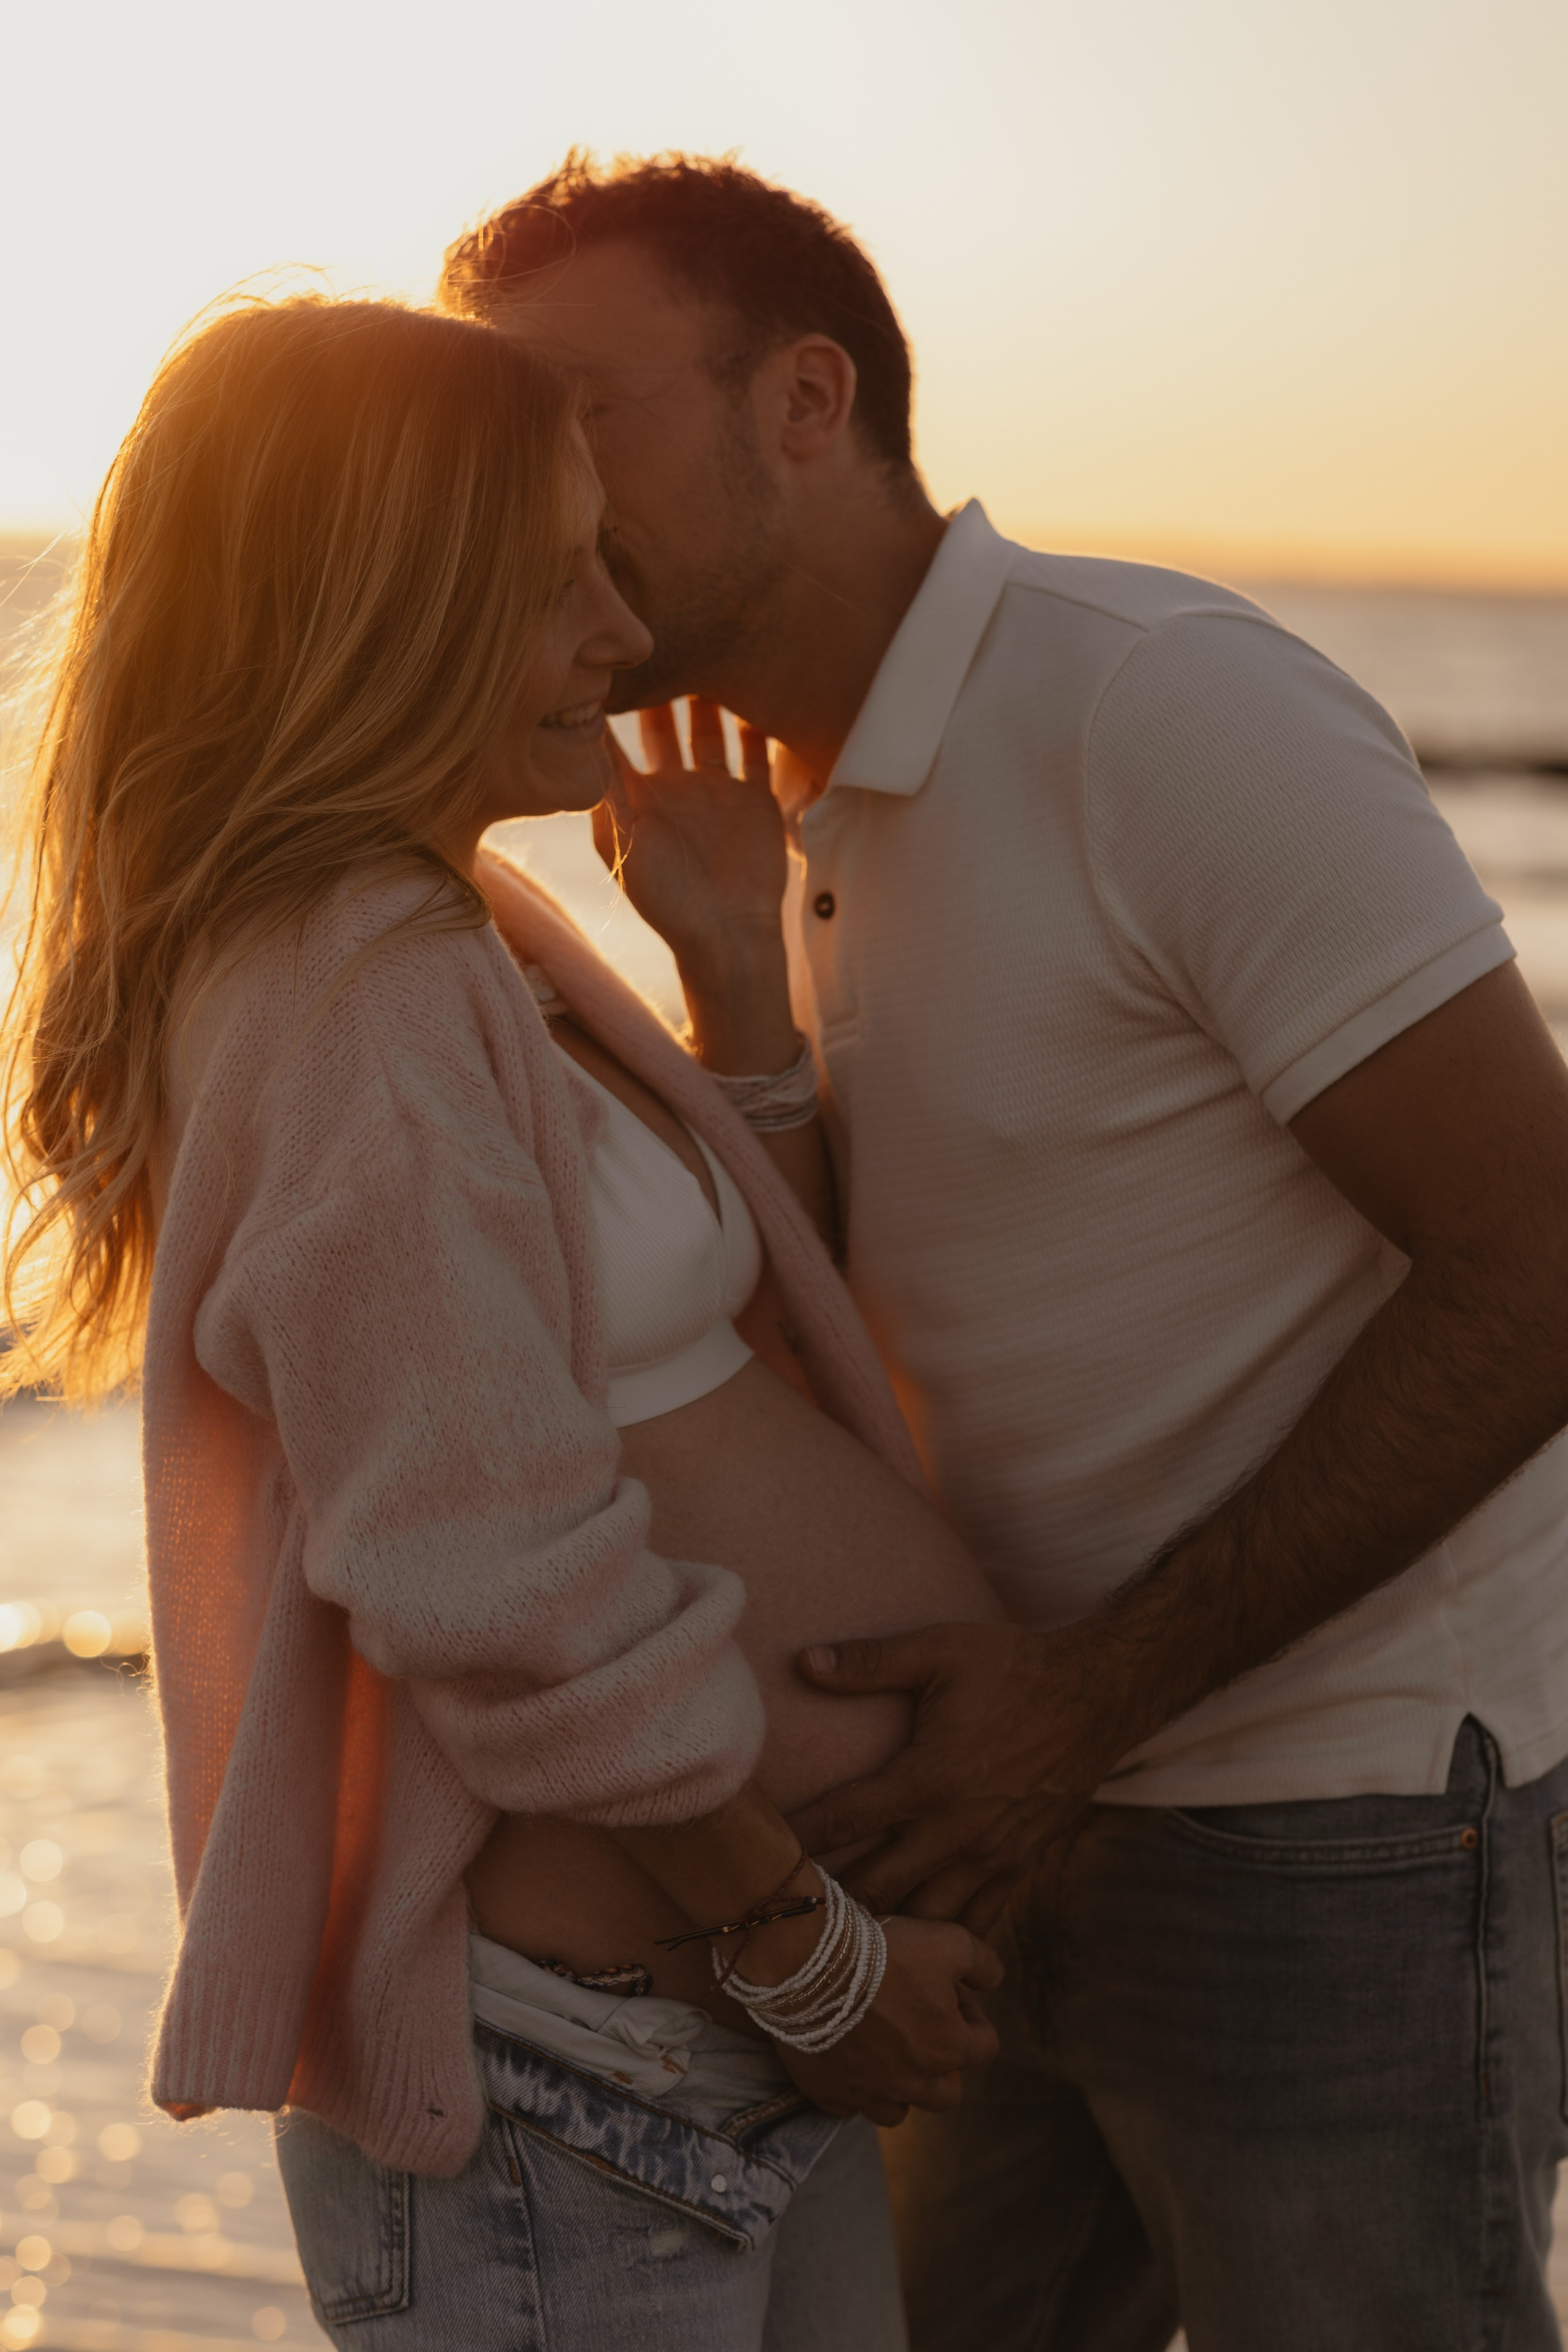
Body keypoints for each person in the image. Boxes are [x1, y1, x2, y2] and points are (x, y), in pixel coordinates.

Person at [439, 153, 1568, 2348]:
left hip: (1315, 1819)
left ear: (805, 394)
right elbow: (885, 1323)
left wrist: (1080, 1707)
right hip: (982, 1817)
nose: (528, 491)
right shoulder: (759, 802)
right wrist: (745, 1025)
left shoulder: (1161, 706)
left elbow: (1541, 1264)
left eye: (575, 411)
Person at [0, 292, 1008, 2352]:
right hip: (587, 2084)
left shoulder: (466, 923)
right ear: (387, 609)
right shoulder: (348, 987)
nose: (622, 642)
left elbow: (732, 1348)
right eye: (555, 585)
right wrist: (807, 1954)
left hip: (689, 2031)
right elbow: (491, 1584)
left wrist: (736, 997)